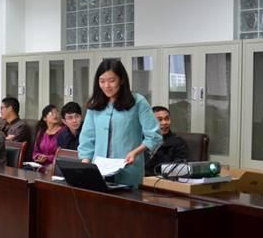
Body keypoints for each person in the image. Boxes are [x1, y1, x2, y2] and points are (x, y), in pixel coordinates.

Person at [78, 59, 161, 188]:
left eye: (111, 81)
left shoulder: (138, 102)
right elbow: (87, 138)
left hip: (127, 168)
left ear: (121, 80)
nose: (106, 86)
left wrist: (135, 152)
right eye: (102, 81)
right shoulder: (95, 105)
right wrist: (85, 165)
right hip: (98, 171)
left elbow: (154, 136)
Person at [145, 106, 190, 176]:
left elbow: (179, 169)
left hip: (163, 179)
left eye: (167, 119)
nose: (165, 123)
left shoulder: (178, 143)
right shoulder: (142, 140)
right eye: (159, 120)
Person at [32, 105, 65, 169]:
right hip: (40, 166)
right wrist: (39, 157)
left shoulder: (63, 131)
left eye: (57, 112)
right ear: (44, 118)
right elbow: (35, 151)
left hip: (55, 167)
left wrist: (47, 158)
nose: (55, 115)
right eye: (51, 113)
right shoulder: (41, 132)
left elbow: (63, 155)